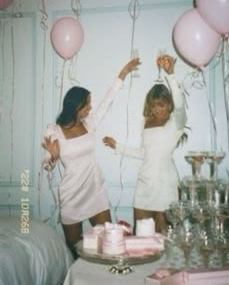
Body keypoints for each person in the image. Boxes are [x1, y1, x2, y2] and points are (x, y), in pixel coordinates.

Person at [42, 58, 140, 258]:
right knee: (76, 248)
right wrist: (52, 157)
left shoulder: (89, 123)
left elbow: (108, 101)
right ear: (76, 106)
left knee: (108, 242)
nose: (90, 107)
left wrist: (122, 74)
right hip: (71, 195)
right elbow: (46, 164)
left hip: (95, 190)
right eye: (87, 104)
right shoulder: (55, 131)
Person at [103, 55, 187, 233]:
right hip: (145, 185)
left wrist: (171, 74)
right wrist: (116, 145)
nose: (157, 109)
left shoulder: (176, 122)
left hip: (166, 186)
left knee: (163, 240)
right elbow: (143, 153)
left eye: (161, 105)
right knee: (140, 236)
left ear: (169, 104)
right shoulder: (146, 123)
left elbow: (180, 105)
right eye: (153, 105)